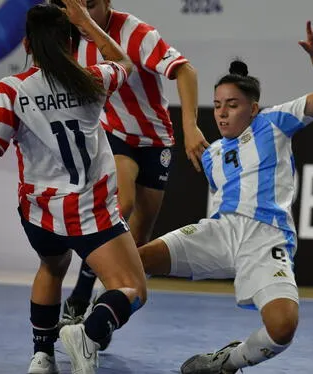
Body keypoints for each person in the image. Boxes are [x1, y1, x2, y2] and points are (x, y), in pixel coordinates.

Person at [0, 1, 147, 373]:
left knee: (52, 269)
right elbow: (123, 61)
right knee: (132, 289)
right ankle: (86, 333)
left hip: (40, 214)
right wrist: (88, 23)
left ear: (27, 46)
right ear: (73, 44)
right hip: (91, 213)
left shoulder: (11, 89)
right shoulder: (93, 80)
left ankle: (42, 356)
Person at [137, 20, 313, 374]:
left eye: (232, 104)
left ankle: (227, 361)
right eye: (217, 105)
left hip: (266, 237)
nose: (221, 112)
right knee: (133, 262)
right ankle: (93, 332)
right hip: (221, 233)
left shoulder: (275, 122)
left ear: (254, 108)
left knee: (282, 327)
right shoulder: (211, 153)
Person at [49, 0, 211, 330]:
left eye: (91, 6)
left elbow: (185, 70)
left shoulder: (136, 33)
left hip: (156, 141)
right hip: (115, 136)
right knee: (121, 205)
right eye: (77, 7)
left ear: (108, 3)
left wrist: (190, 125)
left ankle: (103, 309)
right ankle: (79, 297)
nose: (84, 15)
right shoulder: (70, 40)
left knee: (137, 238)